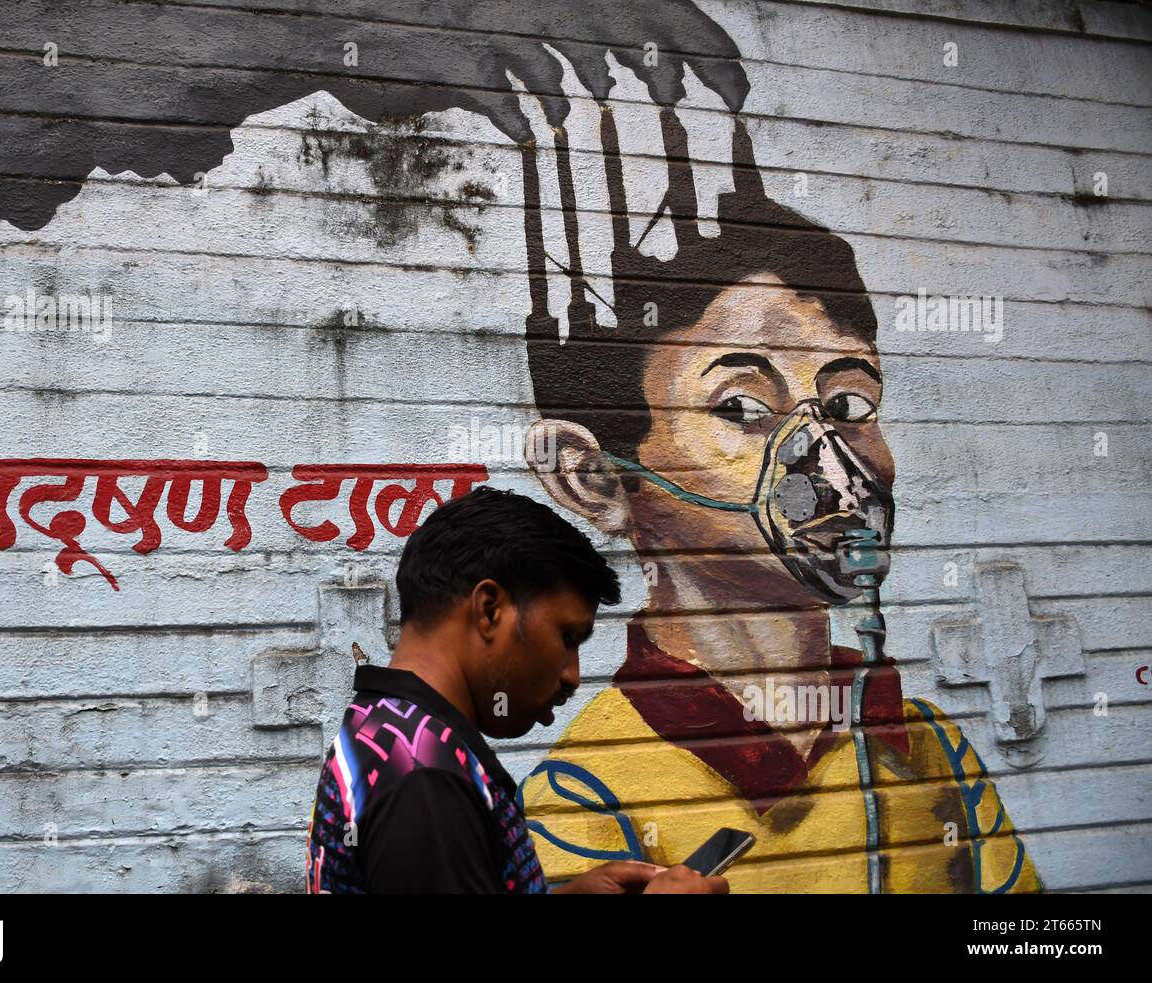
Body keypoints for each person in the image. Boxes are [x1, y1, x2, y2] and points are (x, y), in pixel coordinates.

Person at [517, 111, 1041, 893]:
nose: (826, 458)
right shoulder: (582, 801)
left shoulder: (927, 749)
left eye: (850, 403)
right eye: (739, 407)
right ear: (594, 478)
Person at [303, 485, 729, 893]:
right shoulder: (427, 783)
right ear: (490, 610)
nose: (572, 677)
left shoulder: (386, 724)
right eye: (567, 638)